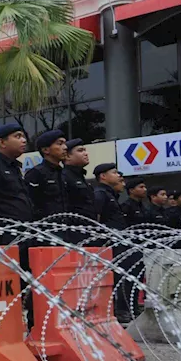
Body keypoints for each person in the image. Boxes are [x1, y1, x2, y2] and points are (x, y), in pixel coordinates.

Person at [93, 163, 134, 323]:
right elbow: (96, 218)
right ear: (103, 176)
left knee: (122, 276)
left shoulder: (110, 194)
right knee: (115, 277)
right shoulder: (100, 194)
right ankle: (117, 310)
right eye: (115, 172)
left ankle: (122, 310)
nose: (119, 176)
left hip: (117, 241)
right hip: (109, 243)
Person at [25, 130, 70, 227]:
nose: (65, 147)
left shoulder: (63, 173)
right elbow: (30, 204)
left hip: (64, 228)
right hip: (45, 230)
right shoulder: (36, 173)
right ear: (46, 150)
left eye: (65, 143)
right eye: (60, 144)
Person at [63, 138, 96, 226]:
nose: (86, 153)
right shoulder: (64, 177)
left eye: (85, 150)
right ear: (67, 156)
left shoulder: (81, 177)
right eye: (80, 151)